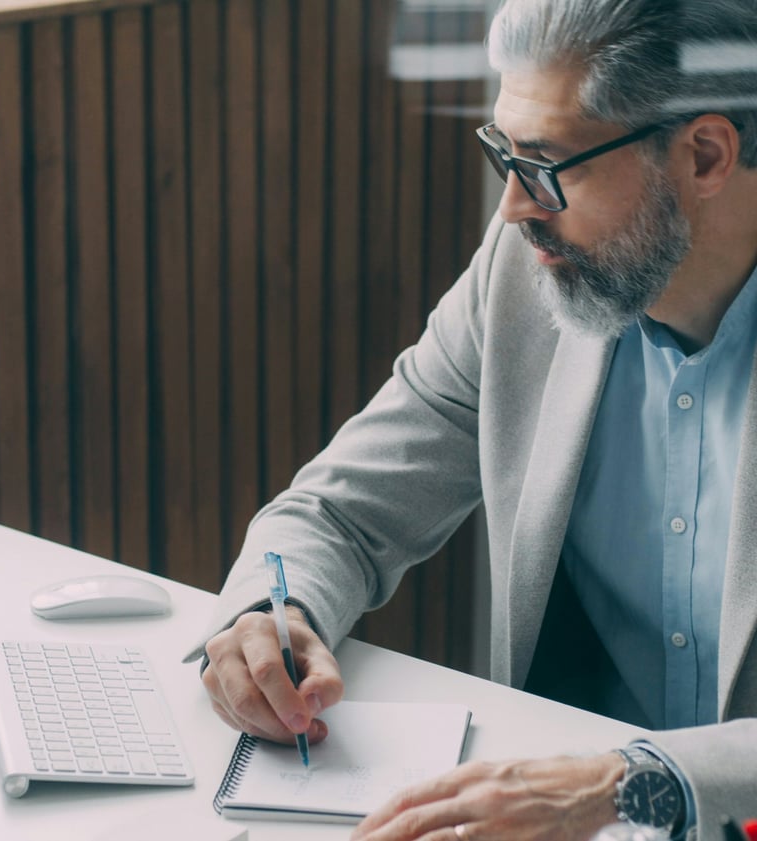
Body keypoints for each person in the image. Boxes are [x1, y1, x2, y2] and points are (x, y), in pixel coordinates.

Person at [185, 0, 757, 838]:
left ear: (705, 154)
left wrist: (639, 783)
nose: (514, 211)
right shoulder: (526, 278)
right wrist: (270, 612)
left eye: (550, 165)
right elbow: (342, 509)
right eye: (506, 156)